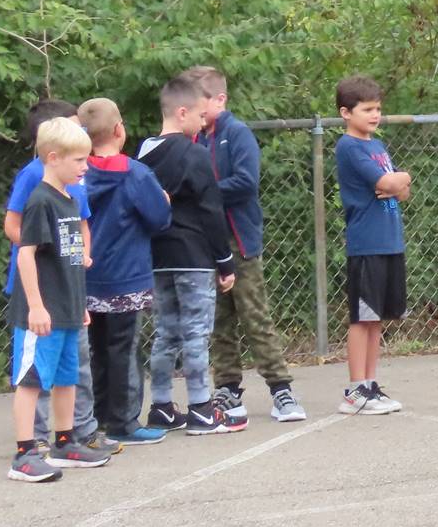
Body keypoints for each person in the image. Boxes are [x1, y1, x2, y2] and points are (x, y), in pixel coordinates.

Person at [191, 66, 305, 426]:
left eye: (198, 103)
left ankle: (281, 389)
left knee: (254, 316)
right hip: (205, 244)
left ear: (219, 99)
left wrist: (202, 192)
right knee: (218, 321)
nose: (192, 110)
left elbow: (244, 182)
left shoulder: (236, 133)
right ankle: (227, 389)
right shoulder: (194, 138)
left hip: (238, 242)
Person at [6, 117, 111, 481]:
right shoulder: (40, 201)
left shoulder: (68, 199)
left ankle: (65, 443)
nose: (85, 167)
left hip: (67, 308)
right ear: (53, 157)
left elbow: (69, 261)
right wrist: (36, 306)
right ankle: (24, 454)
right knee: (32, 380)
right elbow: (25, 254)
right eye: (79, 160)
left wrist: (78, 303)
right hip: (43, 313)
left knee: (67, 378)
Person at [139, 75, 240, 434]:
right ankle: (201, 407)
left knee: (166, 332)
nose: (203, 122)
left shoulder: (143, 153)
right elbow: (210, 211)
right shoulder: (195, 154)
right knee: (196, 333)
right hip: (194, 258)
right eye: (199, 115)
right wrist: (224, 262)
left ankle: (162, 405)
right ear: (182, 113)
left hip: (158, 257)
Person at [75, 99, 174, 447]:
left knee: (95, 350)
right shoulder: (133, 173)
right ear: (119, 130)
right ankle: (124, 421)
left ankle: (96, 416)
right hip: (126, 277)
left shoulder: (77, 172)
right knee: (124, 349)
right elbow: (159, 219)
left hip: (86, 277)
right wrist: (163, 200)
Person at [334, 75, 409, 415]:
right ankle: (355, 390)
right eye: (367, 109)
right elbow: (386, 181)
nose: (375, 115)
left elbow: (400, 190)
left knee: (377, 318)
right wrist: (398, 180)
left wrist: (399, 181)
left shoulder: (377, 146)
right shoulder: (349, 147)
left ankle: (370, 384)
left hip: (390, 241)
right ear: (346, 113)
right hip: (366, 245)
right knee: (362, 318)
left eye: (377, 108)